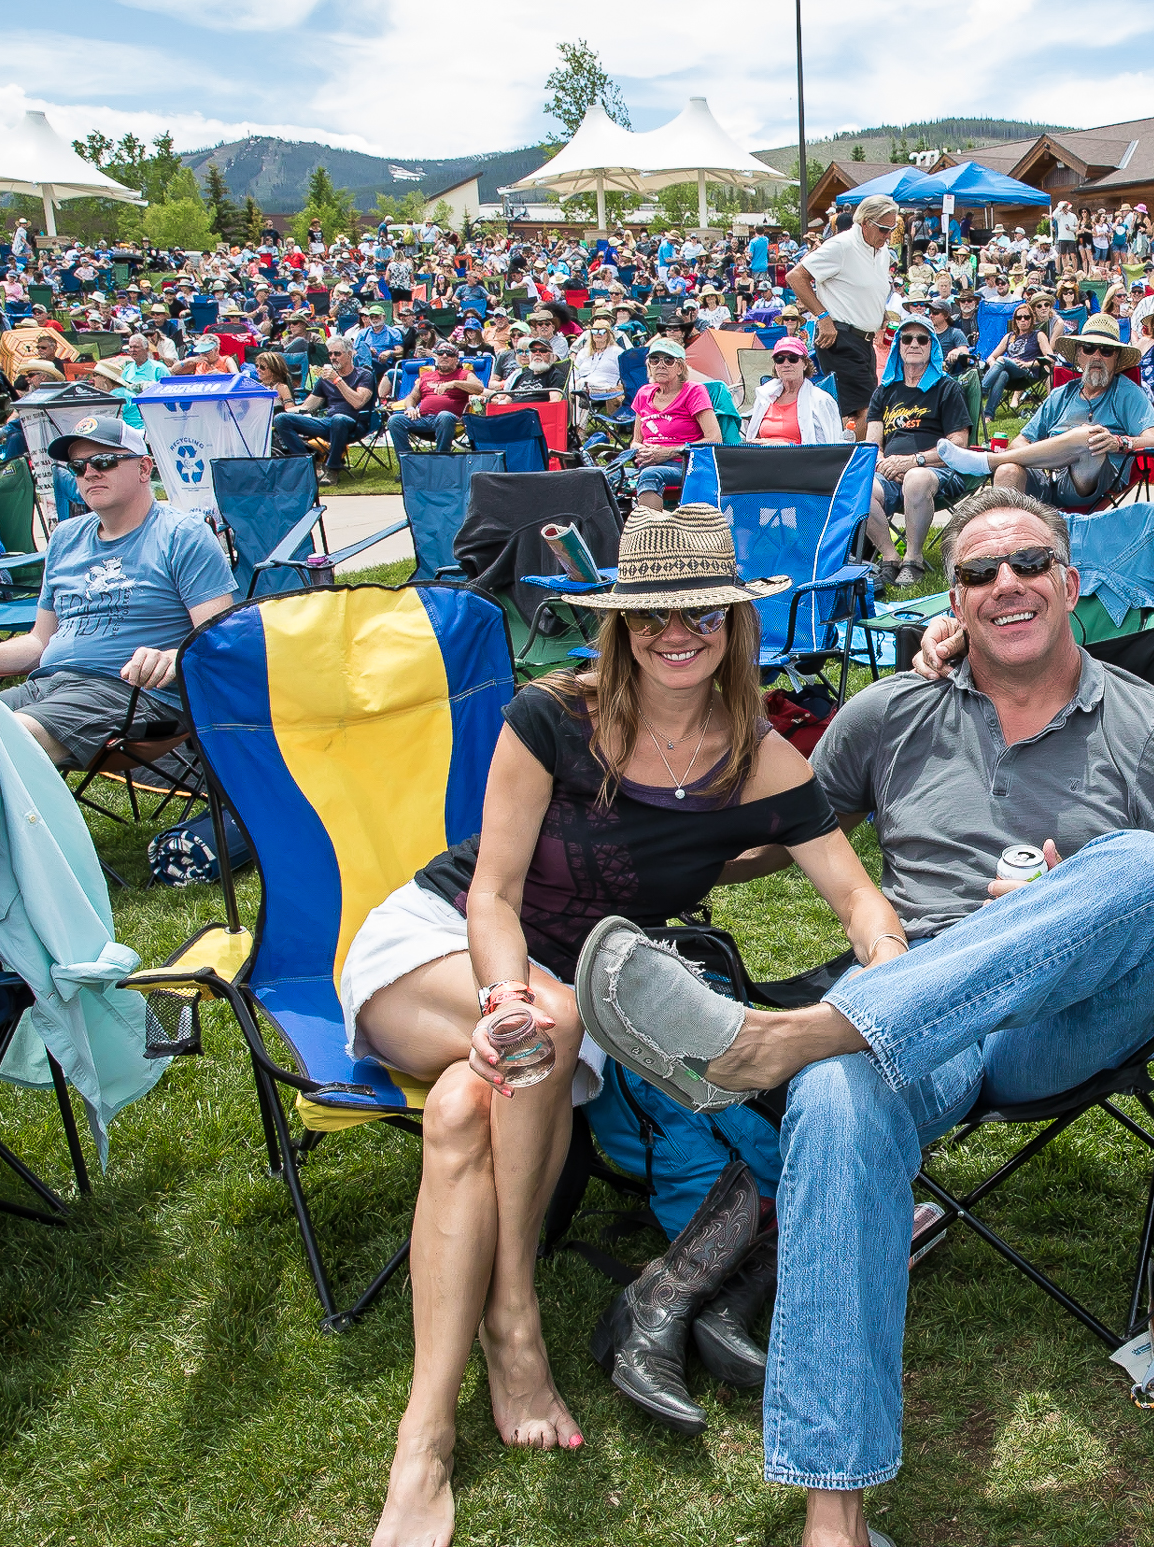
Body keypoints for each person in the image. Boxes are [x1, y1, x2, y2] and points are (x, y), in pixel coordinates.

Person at [592, 486, 1154, 1547]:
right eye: (979, 573)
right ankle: (832, 1518)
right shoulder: (891, 708)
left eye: (1029, 561)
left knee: (1141, 864)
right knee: (842, 1095)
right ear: (953, 599)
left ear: (1070, 581)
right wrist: (626, 839)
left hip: (1067, 1014)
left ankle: (777, 1041)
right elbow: (778, 828)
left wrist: (1053, 920)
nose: (1006, 583)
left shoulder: (1153, 727)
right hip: (910, 1013)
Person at [347, 503, 904, 1547]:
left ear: (735, 624)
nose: (674, 630)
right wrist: (506, 995)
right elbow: (493, 894)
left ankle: (427, 1434)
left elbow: (859, 900)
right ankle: (508, 1337)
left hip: (582, 999)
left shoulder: (763, 760)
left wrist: (887, 967)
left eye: (699, 610)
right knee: (544, 1020)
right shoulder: (552, 717)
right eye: (651, 613)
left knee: (470, 1104)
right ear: (620, 624)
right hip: (444, 951)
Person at [0, 419, 233, 771]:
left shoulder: (182, 535)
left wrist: (169, 656)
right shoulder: (65, 537)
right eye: (78, 467)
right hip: (49, 686)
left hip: (129, 694)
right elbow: (38, 643)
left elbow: (216, 641)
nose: (90, 473)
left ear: (144, 467)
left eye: (104, 462)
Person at [931, 313, 1154, 510]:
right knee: (1007, 471)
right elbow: (1019, 442)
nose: (1096, 357)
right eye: (1089, 349)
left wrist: (1119, 442)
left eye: (1106, 351)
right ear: (1079, 355)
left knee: (1089, 435)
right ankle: (1009, 552)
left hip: (1090, 482)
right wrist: (1050, 457)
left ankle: (987, 461)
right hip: (1047, 479)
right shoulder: (1062, 393)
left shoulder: (1128, 393)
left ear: (1117, 358)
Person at [861, 316, 972, 587]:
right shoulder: (885, 391)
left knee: (916, 478)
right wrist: (884, 464)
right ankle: (889, 558)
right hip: (891, 471)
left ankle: (913, 559)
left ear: (932, 346)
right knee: (859, 488)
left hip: (936, 469)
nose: (913, 344)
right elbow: (872, 444)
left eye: (922, 339)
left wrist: (914, 462)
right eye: (906, 338)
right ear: (898, 345)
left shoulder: (946, 388)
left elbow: (958, 443)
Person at [788, 193, 902, 431]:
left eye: (892, 229)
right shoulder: (841, 245)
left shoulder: (880, 251)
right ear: (866, 222)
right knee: (868, 410)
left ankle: (845, 454)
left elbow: (869, 286)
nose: (888, 235)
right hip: (840, 337)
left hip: (865, 341)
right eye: (884, 229)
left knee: (855, 410)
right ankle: (856, 460)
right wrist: (822, 317)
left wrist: (879, 314)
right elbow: (796, 276)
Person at [628, 340, 720, 512]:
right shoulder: (644, 393)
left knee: (650, 475)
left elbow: (714, 438)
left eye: (668, 360)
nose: (660, 365)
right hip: (647, 463)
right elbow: (635, 440)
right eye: (655, 360)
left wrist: (669, 452)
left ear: (680, 368)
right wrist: (642, 450)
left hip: (684, 463)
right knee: (601, 477)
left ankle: (651, 534)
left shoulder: (693, 391)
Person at [273, 336, 376, 486]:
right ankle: (309, 461)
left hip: (356, 423)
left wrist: (337, 380)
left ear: (350, 354)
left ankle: (333, 468)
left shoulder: (363, 375)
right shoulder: (325, 379)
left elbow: (358, 403)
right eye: (330, 354)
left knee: (339, 419)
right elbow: (308, 406)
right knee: (281, 419)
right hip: (329, 422)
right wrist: (278, 411)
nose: (333, 357)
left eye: (337, 354)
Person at [387, 339, 483, 460]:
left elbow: (479, 388)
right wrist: (411, 408)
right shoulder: (426, 376)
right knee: (394, 420)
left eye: (449, 354)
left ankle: (441, 461)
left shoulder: (464, 374)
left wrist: (454, 383)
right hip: (423, 418)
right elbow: (411, 397)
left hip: (451, 421)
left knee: (444, 416)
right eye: (441, 353)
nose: (444, 356)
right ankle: (408, 462)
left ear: (457, 359)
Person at [746, 337, 843, 445]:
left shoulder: (820, 400)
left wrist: (785, 446)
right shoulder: (765, 396)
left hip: (799, 459)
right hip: (763, 457)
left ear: (805, 364)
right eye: (779, 359)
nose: (786, 364)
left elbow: (826, 449)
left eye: (793, 358)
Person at [979, 301, 1050, 420]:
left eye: (1026, 317)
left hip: (1027, 372)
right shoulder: (1009, 336)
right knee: (1002, 374)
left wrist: (1028, 364)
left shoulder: (1038, 335)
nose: (1023, 320)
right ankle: (988, 415)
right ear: (1015, 320)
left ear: (1032, 319)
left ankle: (981, 391)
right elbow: (991, 357)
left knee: (1002, 359)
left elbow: (1050, 358)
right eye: (1019, 317)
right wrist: (993, 364)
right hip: (1009, 373)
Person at [489, 336, 571, 404]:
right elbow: (506, 402)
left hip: (535, 417)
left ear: (551, 355)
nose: (538, 353)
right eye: (533, 350)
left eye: (543, 351)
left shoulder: (555, 375)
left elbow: (555, 403)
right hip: (513, 415)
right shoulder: (522, 375)